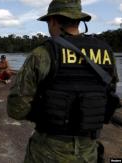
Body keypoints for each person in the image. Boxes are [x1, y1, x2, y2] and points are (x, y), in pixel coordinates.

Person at [7, 0, 119, 162]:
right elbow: (109, 95)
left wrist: (43, 109)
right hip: (88, 152)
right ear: (79, 20)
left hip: (47, 152)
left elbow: (16, 110)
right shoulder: (106, 52)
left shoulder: (43, 53)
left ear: (53, 20)